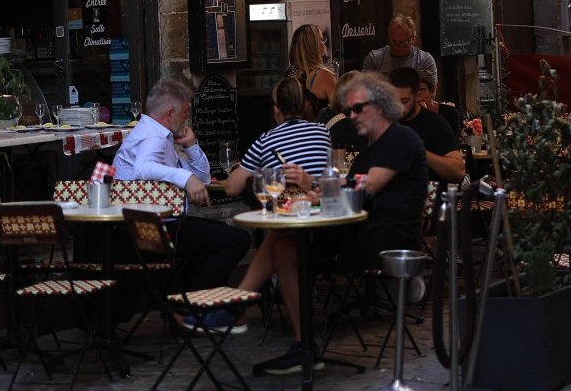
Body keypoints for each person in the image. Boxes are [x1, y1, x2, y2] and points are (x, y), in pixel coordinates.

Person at [251, 73, 429, 377]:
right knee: (283, 240)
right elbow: (343, 187)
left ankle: (243, 306)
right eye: (347, 111)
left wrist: (319, 189)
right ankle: (297, 341)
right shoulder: (372, 148)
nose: (351, 117)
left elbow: (366, 188)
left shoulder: (400, 138)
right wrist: (313, 187)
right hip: (357, 231)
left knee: (285, 243)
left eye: (358, 109)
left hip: (382, 240)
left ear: (382, 106)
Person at [113, 78, 250, 324]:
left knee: (216, 237)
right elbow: (144, 168)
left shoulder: (160, 135)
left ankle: (180, 302)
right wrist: (185, 178)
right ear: (170, 113)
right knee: (237, 239)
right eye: (185, 112)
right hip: (150, 228)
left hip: (157, 224)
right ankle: (187, 305)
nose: (187, 118)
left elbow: (204, 177)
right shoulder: (152, 138)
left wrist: (192, 146)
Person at [224, 78, 333, 342]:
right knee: (277, 239)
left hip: (300, 220)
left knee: (276, 236)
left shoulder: (266, 140)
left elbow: (231, 189)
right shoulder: (323, 132)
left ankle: (237, 303)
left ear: (276, 110)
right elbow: (331, 172)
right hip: (323, 217)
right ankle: (237, 304)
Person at [390, 67, 464, 183]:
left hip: (428, 194)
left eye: (405, 101)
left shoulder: (434, 123)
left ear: (416, 95)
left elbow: (458, 172)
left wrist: (420, 153)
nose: (400, 108)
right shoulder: (384, 121)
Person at [361, 14, 438, 92]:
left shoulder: (424, 61)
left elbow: (431, 94)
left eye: (402, 42)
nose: (396, 46)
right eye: (393, 41)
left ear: (413, 39)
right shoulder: (375, 59)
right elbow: (364, 91)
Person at [287, 24, 336, 119]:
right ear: (314, 46)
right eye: (321, 39)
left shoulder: (289, 73)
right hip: (318, 132)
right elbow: (338, 113)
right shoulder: (324, 75)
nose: (324, 43)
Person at [416, 72, 466, 141]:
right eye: (415, 90)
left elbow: (451, 144)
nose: (418, 93)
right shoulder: (408, 115)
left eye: (422, 89)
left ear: (432, 90)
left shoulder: (451, 113)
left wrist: (426, 115)